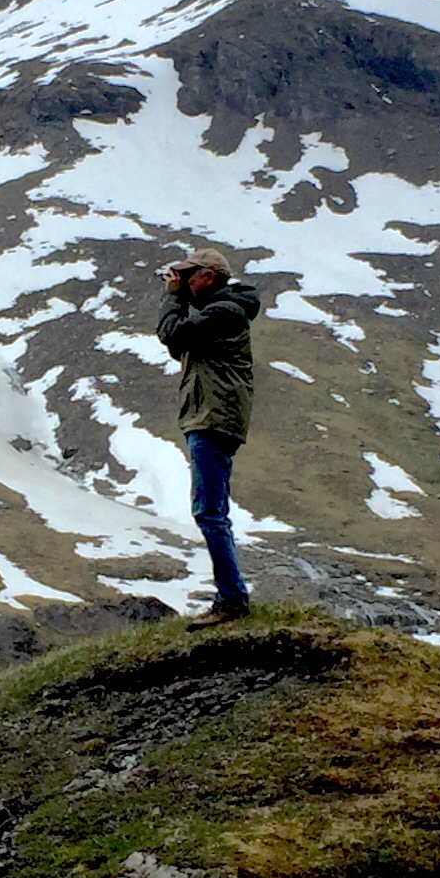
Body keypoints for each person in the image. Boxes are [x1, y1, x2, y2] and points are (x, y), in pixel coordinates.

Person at [155, 245, 260, 627]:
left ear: (209, 276)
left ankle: (231, 599)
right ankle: (230, 596)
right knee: (212, 511)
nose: (183, 280)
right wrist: (183, 299)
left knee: (209, 512)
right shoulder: (218, 312)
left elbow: (172, 333)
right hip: (209, 416)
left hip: (213, 418)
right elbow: (178, 345)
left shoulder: (225, 312)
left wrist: (173, 297)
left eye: (190, 274)